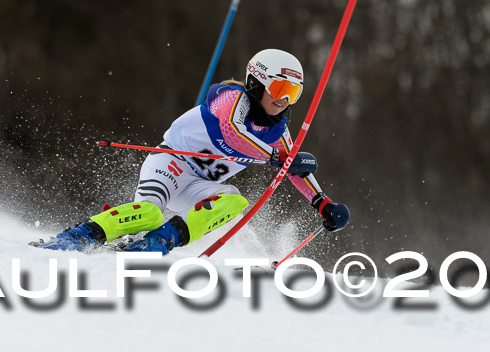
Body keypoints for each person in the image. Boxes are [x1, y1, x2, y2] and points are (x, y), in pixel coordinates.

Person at [37, 49, 349, 254]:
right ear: (256, 83)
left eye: (293, 93)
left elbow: (291, 168)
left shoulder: (276, 132)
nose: (285, 101)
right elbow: (232, 132)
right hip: (171, 165)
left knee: (234, 200)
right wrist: (274, 157)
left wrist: (321, 203)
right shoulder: (230, 97)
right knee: (148, 212)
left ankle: (162, 240)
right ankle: (79, 235)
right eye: (280, 90)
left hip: (198, 185)